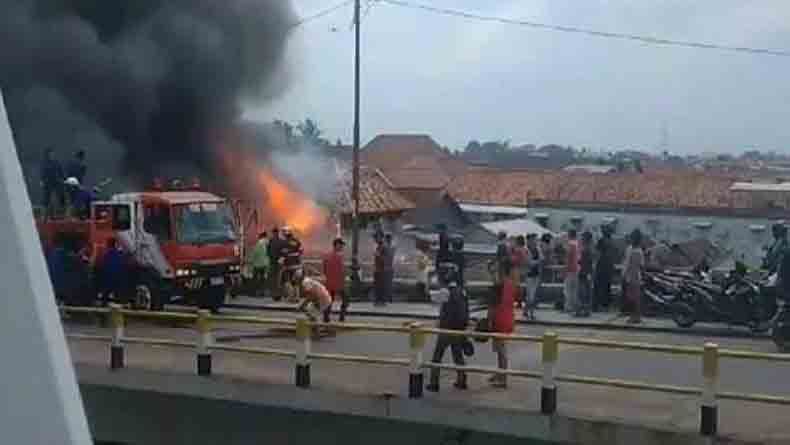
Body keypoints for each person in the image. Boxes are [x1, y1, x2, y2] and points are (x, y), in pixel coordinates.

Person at [426, 266, 469, 392]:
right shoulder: (462, 291)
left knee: (437, 357)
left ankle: (434, 383)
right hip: (459, 328)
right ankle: (462, 380)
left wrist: (429, 281)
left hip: (446, 328)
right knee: (458, 356)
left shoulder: (445, 292)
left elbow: (430, 296)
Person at [489, 260, 515, 388]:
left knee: (501, 350)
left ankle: (503, 378)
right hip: (507, 318)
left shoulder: (500, 285)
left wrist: (489, 319)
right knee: (500, 349)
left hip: (499, 319)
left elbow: (493, 304)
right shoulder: (510, 283)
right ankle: (500, 373)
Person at [622, 229, 645, 324]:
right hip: (637, 276)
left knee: (631, 298)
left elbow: (626, 264)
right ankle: (637, 316)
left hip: (631, 276)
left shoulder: (630, 250)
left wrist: (623, 275)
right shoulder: (639, 251)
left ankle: (633, 316)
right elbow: (642, 265)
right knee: (636, 298)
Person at [96, 238, 128, 306]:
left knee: (105, 295)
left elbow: (103, 266)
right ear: (115, 244)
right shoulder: (120, 254)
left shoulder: (107, 254)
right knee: (116, 296)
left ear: (108, 245)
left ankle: (104, 307)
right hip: (118, 278)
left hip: (108, 278)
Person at [323, 237, 348, 322]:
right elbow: (343, 270)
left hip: (329, 282)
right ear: (337, 245)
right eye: (341, 245)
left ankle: (326, 317)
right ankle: (341, 317)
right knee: (346, 300)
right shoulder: (340, 256)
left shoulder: (327, 255)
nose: (342, 247)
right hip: (339, 283)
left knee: (329, 300)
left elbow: (324, 269)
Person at [593, 225, 616, 311]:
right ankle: (606, 305)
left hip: (601, 266)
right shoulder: (611, 241)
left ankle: (596, 305)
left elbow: (597, 253)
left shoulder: (601, 241)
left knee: (598, 286)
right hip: (609, 266)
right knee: (606, 286)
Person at [280, 226, 304, 302]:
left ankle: (290, 297)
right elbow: (301, 251)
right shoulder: (297, 241)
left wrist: (281, 262)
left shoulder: (284, 242)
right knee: (295, 282)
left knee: (287, 281)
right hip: (297, 265)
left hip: (288, 265)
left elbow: (283, 254)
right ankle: (297, 297)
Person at [523, 233, 543, 320]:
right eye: (534, 239)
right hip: (529, 275)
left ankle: (526, 311)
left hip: (536, 274)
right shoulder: (526, 250)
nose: (535, 241)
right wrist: (537, 261)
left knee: (532, 295)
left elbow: (542, 258)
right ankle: (531, 313)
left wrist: (536, 261)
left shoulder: (537, 249)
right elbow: (529, 263)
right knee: (530, 295)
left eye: (536, 239)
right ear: (529, 240)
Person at [40, 148, 64, 217]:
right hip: (47, 183)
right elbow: (43, 172)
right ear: (48, 154)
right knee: (46, 200)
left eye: (53, 153)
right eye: (51, 154)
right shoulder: (45, 163)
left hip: (56, 183)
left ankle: (54, 214)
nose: (52, 155)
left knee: (56, 199)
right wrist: (42, 180)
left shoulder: (56, 162)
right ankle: (44, 215)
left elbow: (60, 171)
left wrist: (62, 179)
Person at [576, 231, 594, 317]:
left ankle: (581, 310)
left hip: (583, 273)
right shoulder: (590, 248)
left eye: (583, 237)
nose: (581, 239)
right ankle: (586, 310)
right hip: (587, 273)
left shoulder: (585, 249)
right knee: (587, 292)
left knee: (582, 292)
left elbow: (582, 261)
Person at [563, 230, 580, 313]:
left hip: (570, 269)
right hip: (576, 268)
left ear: (569, 235)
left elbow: (568, 258)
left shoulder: (570, 244)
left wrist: (565, 269)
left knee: (568, 289)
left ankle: (568, 307)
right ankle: (574, 306)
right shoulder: (577, 244)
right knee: (574, 289)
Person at [249, 231, 270, 297]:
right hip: (266, 264)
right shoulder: (268, 243)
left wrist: (250, 261)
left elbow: (254, 254)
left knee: (255, 279)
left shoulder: (258, 244)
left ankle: (254, 292)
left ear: (260, 236)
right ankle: (262, 292)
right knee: (263, 279)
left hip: (257, 264)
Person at [511, 235, 527, 309]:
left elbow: (515, 260)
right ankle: (520, 301)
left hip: (517, 269)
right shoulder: (525, 249)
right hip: (523, 269)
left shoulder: (518, 250)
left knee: (517, 286)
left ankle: (519, 301)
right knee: (521, 286)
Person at [268, 227, 283, 300]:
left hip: (273, 262)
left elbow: (268, 252)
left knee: (274, 279)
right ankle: (277, 295)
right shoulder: (281, 241)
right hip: (278, 263)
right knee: (277, 279)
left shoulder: (271, 241)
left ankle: (275, 294)